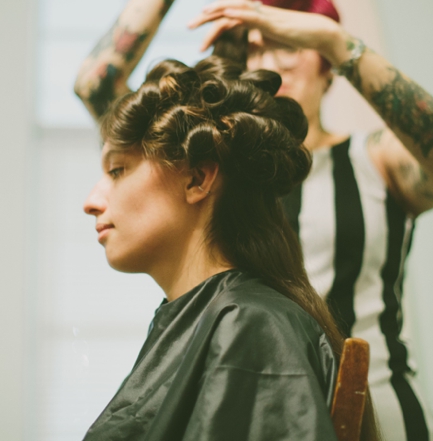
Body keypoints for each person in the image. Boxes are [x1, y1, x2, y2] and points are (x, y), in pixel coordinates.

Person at [75, 0, 433, 441]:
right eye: (254, 47)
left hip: (379, 411)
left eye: (285, 43)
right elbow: (99, 90)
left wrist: (336, 40)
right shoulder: (219, 169)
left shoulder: (373, 161)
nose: (268, 61)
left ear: (327, 68)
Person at [81, 58, 375, 440]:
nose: (91, 201)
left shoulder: (250, 326)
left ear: (197, 178)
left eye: (118, 170)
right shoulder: (220, 319)